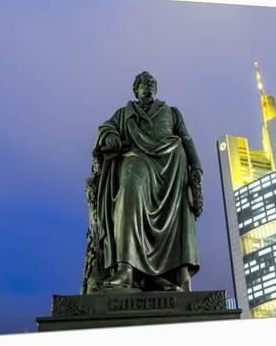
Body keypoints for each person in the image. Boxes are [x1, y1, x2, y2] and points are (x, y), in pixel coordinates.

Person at [83, 71, 203, 293]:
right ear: (135, 90)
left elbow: (186, 139)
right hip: (136, 160)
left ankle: (162, 276)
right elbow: (105, 128)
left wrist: (196, 168)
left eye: (151, 83)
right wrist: (108, 136)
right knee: (129, 194)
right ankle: (126, 268)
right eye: (143, 84)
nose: (148, 87)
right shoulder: (124, 113)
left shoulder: (171, 112)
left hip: (170, 169)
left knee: (173, 217)